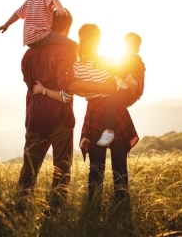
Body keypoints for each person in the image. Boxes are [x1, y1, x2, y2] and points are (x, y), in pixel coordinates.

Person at [17, 11, 116, 213]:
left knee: (29, 168)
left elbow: (28, 82)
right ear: (67, 28)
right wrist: (104, 87)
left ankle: (20, 209)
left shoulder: (28, 53)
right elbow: (69, 84)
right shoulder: (64, 51)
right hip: (58, 118)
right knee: (61, 169)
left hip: (34, 117)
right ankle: (55, 212)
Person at [33, 24, 139, 203]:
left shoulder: (76, 68)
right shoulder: (109, 62)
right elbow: (128, 83)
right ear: (98, 41)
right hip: (116, 112)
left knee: (96, 167)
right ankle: (121, 207)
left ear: (80, 39)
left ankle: (94, 207)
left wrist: (44, 91)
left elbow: (66, 94)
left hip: (96, 114)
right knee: (120, 167)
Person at [96, 32, 146, 146]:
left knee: (110, 103)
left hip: (127, 91)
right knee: (112, 104)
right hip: (125, 91)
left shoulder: (133, 60)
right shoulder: (130, 59)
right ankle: (121, 133)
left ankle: (109, 131)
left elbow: (130, 79)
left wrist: (109, 68)